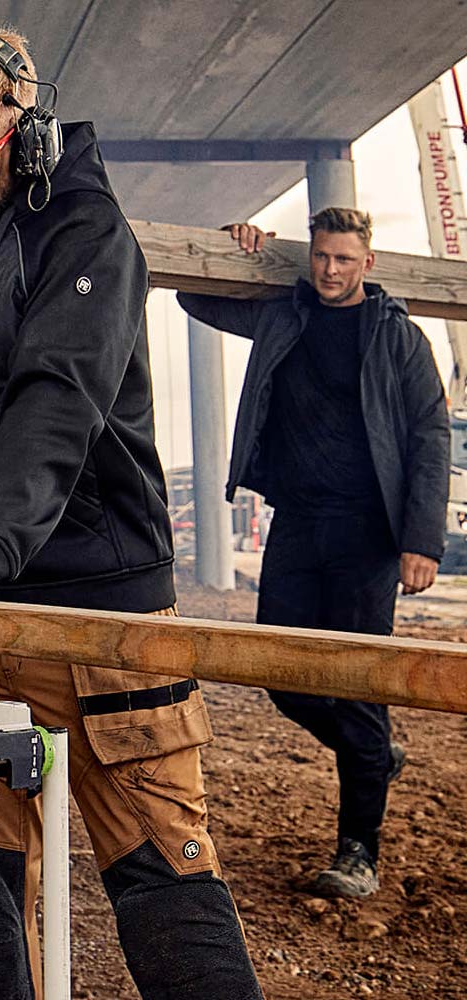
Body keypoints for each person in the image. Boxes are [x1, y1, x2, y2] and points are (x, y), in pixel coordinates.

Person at [0, 25, 264, 1000]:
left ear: (24, 138)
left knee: (163, 881)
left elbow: (55, 402)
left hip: (101, 621)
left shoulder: (88, 237)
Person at [178, 210, 450, 899]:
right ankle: (373, 753)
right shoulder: (283, 315)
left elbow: (430, 436)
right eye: (322, 257)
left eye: (344, 259)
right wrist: (230, 245)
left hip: (369, 535)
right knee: (280, 672)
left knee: (358, 687)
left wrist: (422, 541)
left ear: (368, 263)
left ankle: (359, 851)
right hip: (297, 524)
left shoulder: (397, 336)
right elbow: (193, 297)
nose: (330, 270)